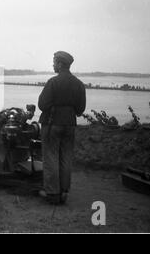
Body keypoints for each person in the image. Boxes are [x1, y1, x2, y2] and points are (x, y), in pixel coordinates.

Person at [38, 51, 86, 205]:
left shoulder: (53, 82)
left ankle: (52, 193)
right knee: (65, 157)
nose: (53, 65)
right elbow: (80, 110)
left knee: (51, 157)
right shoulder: (78, 84)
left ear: (60, 64)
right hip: (70, 125)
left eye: (54, 62)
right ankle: (64, 191)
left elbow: (42, 105)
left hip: (52, 124)